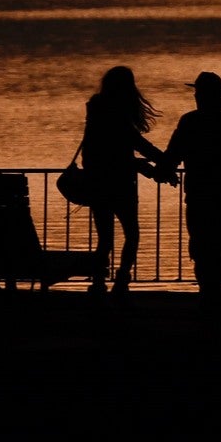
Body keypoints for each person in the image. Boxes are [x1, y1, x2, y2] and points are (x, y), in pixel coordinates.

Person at [161, 71, 221, 309]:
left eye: (198, 93)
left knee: (201, 244)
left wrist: (163, 169)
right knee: (217, 244)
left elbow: (172, 155)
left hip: (198, 193)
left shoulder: (189, 122)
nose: (195, 97)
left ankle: (208, 290)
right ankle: (217, 291)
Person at [81, 65, 168, 297]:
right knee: (131, 233)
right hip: (121, 185)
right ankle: (121, 280)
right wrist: (164, 163)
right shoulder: (118, 113)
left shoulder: (97, 110)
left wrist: (153, 164)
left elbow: (101, 151)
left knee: (105, 238)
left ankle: (99, 281)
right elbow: (135, 145)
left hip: (99, 183)